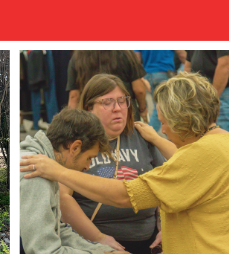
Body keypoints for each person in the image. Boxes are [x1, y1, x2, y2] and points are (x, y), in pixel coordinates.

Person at [23, 72, 229, 254]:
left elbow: (126, 195)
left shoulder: (199, 154)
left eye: (165, 123)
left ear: (183, 120)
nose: (163, 130)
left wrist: (58, 171)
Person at [61, 74, 166, 254]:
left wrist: (167, 228)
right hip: (94, 242)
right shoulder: (75, 143)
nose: (117, 108)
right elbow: (63, 198)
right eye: (107, 102)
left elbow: (169, 185)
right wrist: (97, 239)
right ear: (89, 108)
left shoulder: (143, 136)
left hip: (148, 241)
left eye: (122, 101)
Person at [20, 107, 117, 254]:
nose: (87, 166)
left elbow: (57, 231)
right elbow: (44, 250)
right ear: (75, 148)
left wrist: (102, 250)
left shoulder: (45, 163)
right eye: (89, 158)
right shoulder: (36, 176)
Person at [67, 51, 147, 121]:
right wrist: (142, 109)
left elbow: (74, 96)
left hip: (92, 116)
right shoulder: (125, 53)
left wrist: (72, 121)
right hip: (125, 113)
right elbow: (139, 90)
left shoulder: (77, 57)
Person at [188, 50, 229, 134]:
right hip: (198, 93)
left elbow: (226, 64)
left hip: (221, 91)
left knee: (223, 140)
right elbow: (188, 63)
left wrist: (211, 102)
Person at [134, 51, 185, 133]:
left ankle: (152, 135)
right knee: (164, 108)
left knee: (159, 107)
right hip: (163, 73)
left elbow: (136, 58)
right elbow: (181, 53)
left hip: (148, 74)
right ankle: (148, 135)